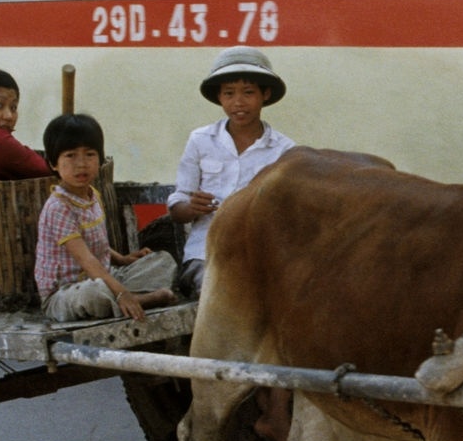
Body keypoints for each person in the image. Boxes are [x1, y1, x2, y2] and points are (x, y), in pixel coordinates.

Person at [168, 47, 294, 297]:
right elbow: (178, 204)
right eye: (229, 93)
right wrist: (191, 207)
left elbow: (288, 213)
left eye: (248, 93)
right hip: (205, 255)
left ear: (265, 94)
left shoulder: (285, 150)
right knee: (220, 290)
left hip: (260, 256)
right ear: (220, 97)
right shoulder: (200, 140)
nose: (238, 102)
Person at [36, 112, 178, 323]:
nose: (81, 164)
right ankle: (139, 299)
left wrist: (123, 259)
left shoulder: (94, 195)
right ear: (53, 163)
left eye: (89, 154)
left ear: (100, 158)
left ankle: (127, 298)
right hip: (66, 294)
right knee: (93, 294)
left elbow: (96, 244)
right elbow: (86, 259)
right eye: (71, 155)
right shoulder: (59, 207)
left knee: (162, 261)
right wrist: (122, 292)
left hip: (105, 276)